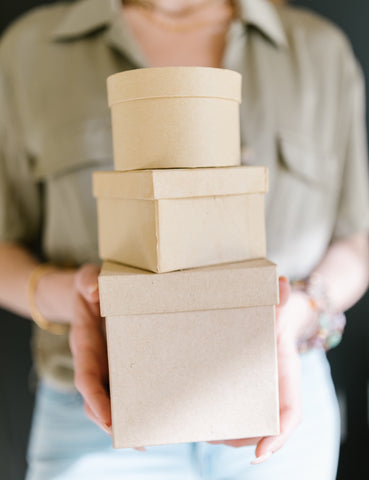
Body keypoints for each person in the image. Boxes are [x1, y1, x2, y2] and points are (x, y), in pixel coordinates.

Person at [0, 0, 368, 478]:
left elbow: (356, 241)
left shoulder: (319, 51)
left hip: (276, 389)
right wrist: (76, 299)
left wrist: (298, 310)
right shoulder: (33, 48)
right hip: (97, 406)